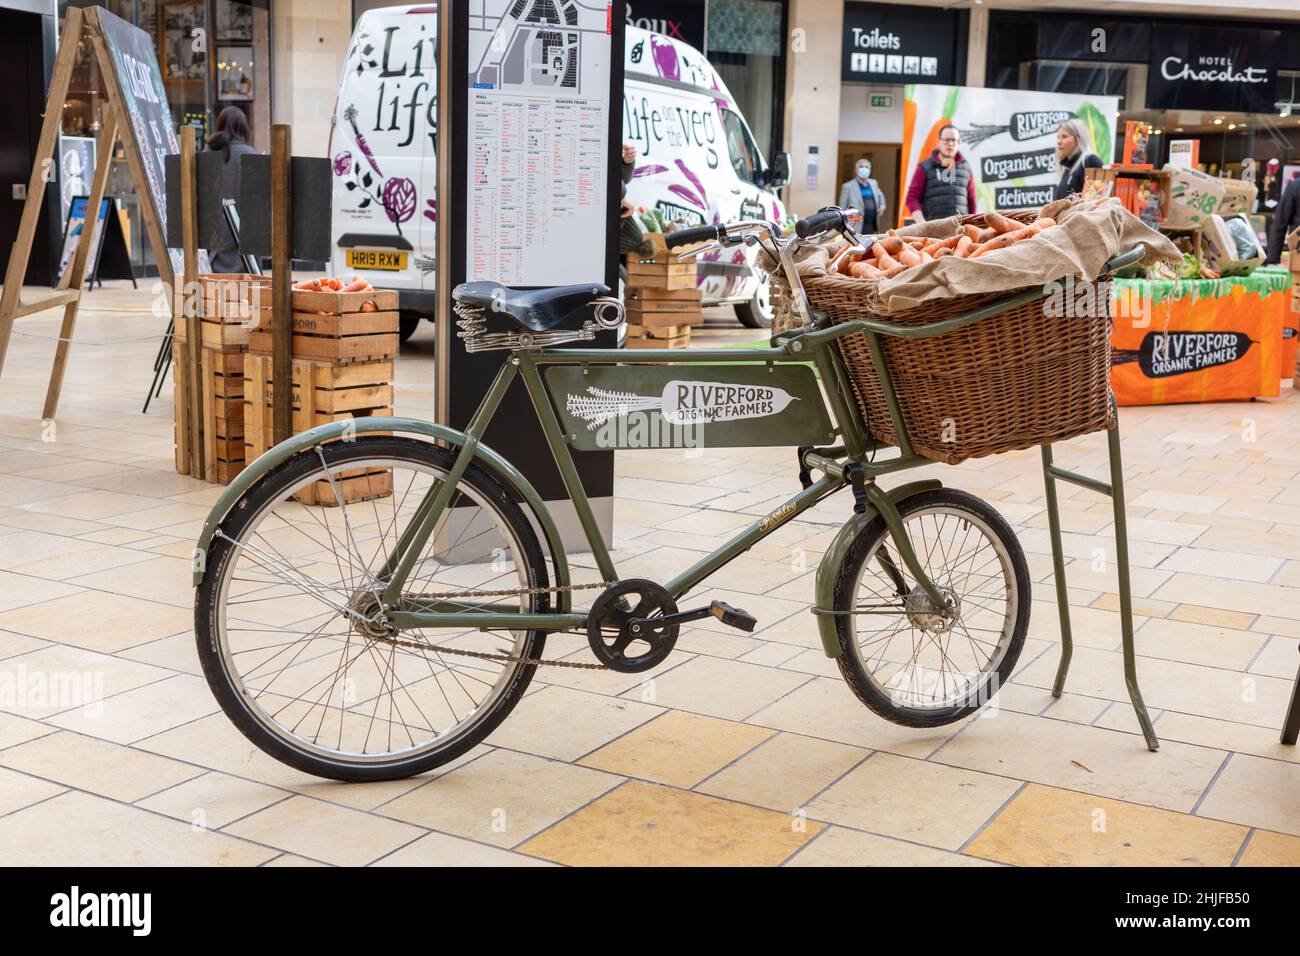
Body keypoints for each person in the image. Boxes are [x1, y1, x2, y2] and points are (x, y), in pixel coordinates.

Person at [204, 106, 256, 273]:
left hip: (214, 237)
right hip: (243, 237)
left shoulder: (208, 152)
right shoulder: (249, 153)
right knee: (245, 294)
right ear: (243, 127)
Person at [905, 124, 975, 223]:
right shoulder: (924, 168)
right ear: (939, 142)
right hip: (933, 232)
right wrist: (922, 223)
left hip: (961, 230)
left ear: (958, 143)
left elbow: (972, 201)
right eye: (946, 140)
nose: (950, 143)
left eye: (954, 140)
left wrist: (973, 226)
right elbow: (912, 198)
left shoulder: (966, 168)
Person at [1053, 118, 1103, 200]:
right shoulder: (1068, 167)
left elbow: (1097, 201)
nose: (1059, 141)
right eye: (1058, 137)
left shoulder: (1090, 161)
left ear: (1078, 139)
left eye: (1064, 136)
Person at [838, 157, 885, 233]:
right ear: (856, 170)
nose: (864, 169)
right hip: (856, 226)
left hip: (872, 225)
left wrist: (882, 207)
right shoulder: (847, 186)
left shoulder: (874, 183)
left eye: (866, 167)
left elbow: (880, 197)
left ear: (870, 170)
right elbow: (842, 208)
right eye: (861, 167)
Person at [1266, 174, 1300, 265]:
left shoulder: (1295, 186)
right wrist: (1273, 259)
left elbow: (1279, 223)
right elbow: (1280, 224)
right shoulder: (1296, 186)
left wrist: (1273, 260)